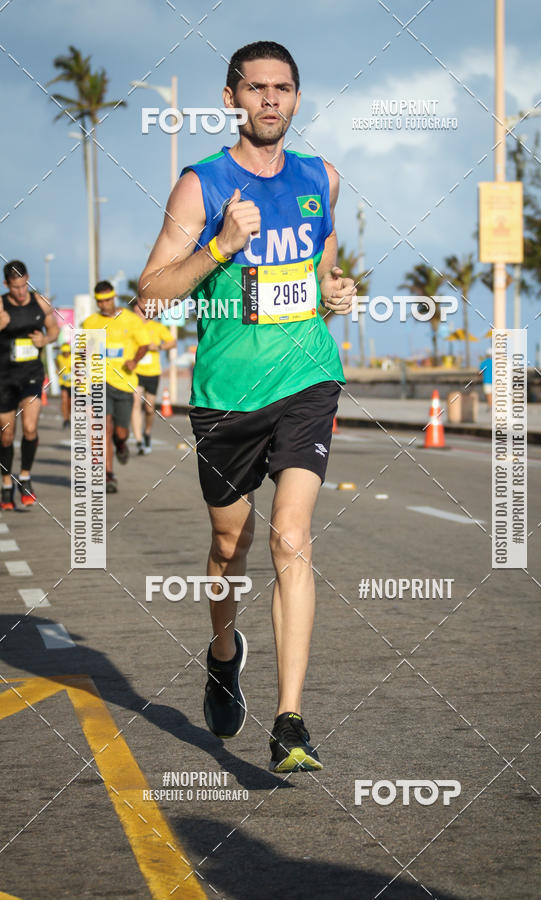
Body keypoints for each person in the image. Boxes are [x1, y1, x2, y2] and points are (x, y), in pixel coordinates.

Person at [139, 41, 355, 773]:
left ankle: (289, 719)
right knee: (229, 547)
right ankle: (224, 652)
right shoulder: (200, 185)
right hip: (227, 396)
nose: (270, 100)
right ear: (232, 97)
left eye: (283, 88)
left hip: (306, 381)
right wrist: (222, 247)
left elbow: (324, 270)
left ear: (296, 98)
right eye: (256, 88)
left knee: (290, 540)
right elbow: (154, 291)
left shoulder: (320, 177)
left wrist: (336, 293)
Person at [0, 260, 59, 509]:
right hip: (4, 377)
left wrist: (44, 339)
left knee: (31, 427)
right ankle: (6, 483)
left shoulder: (40, 302)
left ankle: (24, 476)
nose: (21, 292)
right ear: (6, 285)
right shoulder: (1, 306)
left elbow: (54, 329)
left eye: (24, 286)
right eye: (16, 288)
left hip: (32, 374)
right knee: (6, 435)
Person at [82, 281, 149, 493]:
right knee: (103, 428)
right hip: (99, 381)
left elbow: (144, 344)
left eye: (107, 300)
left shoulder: (130, 319)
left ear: (114, 297)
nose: (104, 305)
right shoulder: (90, 323)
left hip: (124, 382)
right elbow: (84, 353)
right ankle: (108, 475)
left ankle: (121, 445)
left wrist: (134, 361)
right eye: (99, 301)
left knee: (120, 432)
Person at [130, 303, 176, 454]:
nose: (139, 315)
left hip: (152, 372)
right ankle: (138, 441)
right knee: (135, 404)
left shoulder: (157, 327)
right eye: (136, 312)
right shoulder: (130, 328)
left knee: (149, 409)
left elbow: (172, 342)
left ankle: (147, 433)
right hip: (135, 372)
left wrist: (159, 347)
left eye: (142, 312)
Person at [55, 341, 72, 428]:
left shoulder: (75, 358)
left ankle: (69, 416)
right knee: (64, 400)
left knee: (70, 402)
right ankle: (66, 420)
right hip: (63, 382)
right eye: (64, 352)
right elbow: (57, 365)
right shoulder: (59, 357)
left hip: (73, 383)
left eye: (67, 352)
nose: (65, 354)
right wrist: (59, 372)